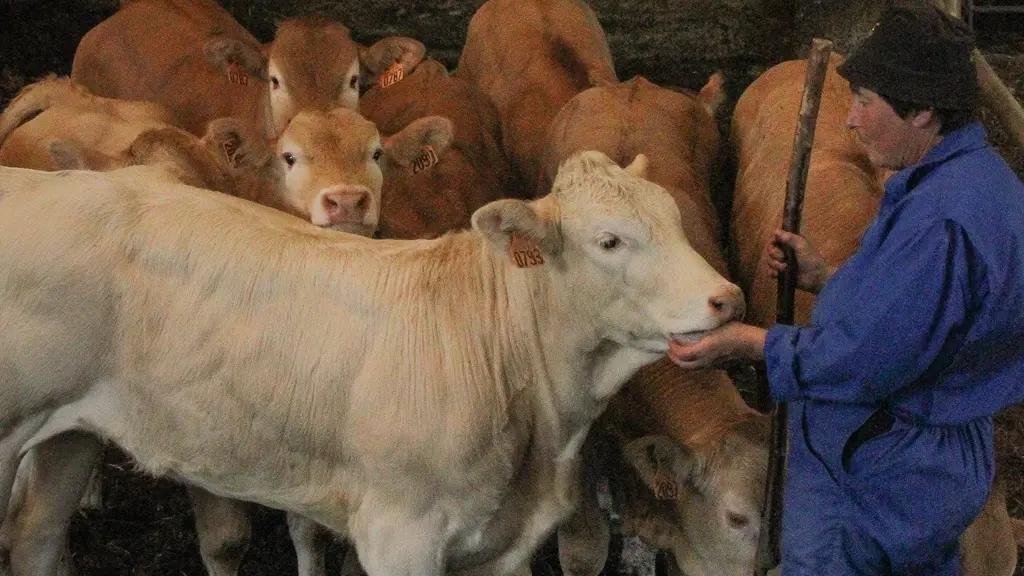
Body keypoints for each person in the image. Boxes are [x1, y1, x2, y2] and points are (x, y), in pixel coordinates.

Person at [667, 1, 1024, 574]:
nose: (850, 120)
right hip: (936, 457)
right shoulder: (980, 184)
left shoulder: (938, 224)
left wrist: (751, 344)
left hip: (876, 468)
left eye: (865, 103)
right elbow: (920, 315)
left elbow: (860, 358)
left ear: (924, 112)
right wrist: (827, 279)